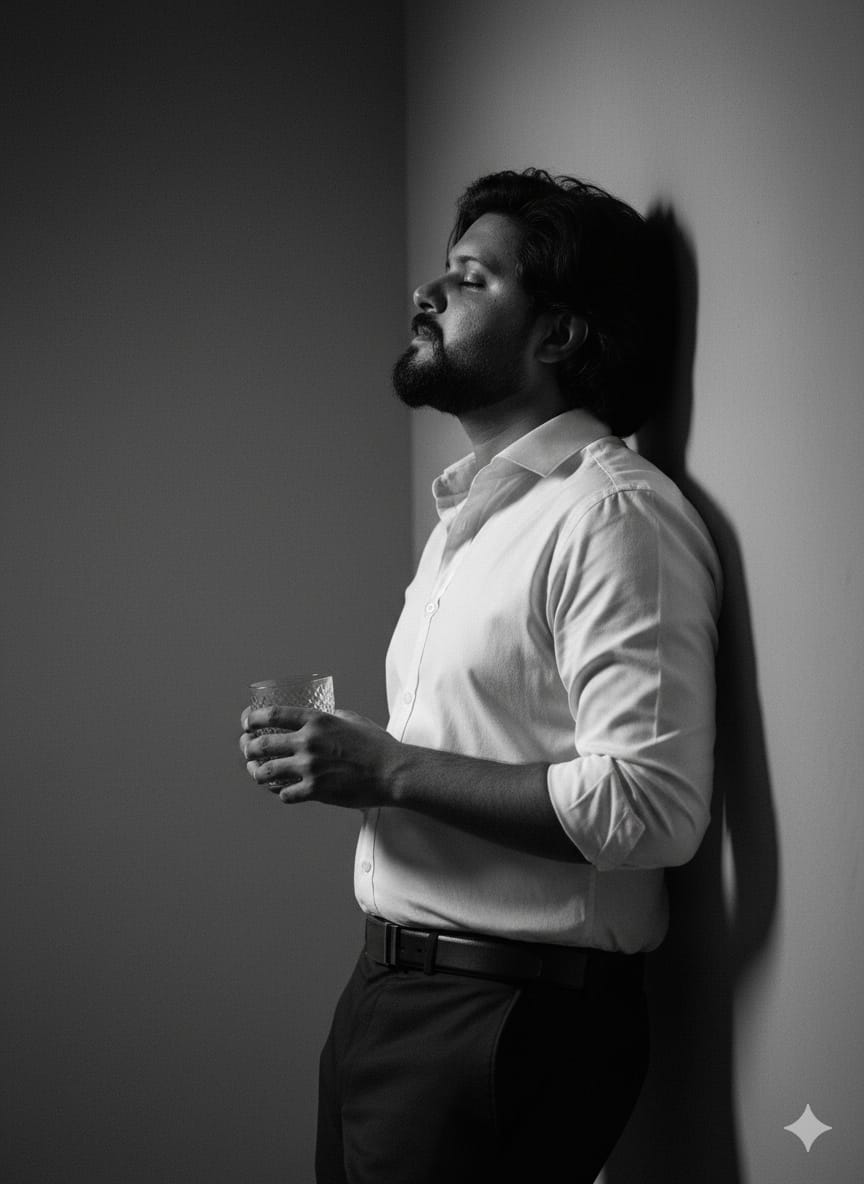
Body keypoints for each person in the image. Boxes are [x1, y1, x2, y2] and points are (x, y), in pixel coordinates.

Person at [239, 168, 722, 1184]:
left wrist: (389, 770)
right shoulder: (476, 517)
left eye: (470, 278)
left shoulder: (612, 516)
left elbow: (650, 809)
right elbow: (482, 749)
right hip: (391, 991)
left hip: (502, 1016)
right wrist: (358, 761)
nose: (428, 294)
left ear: (557, 334)